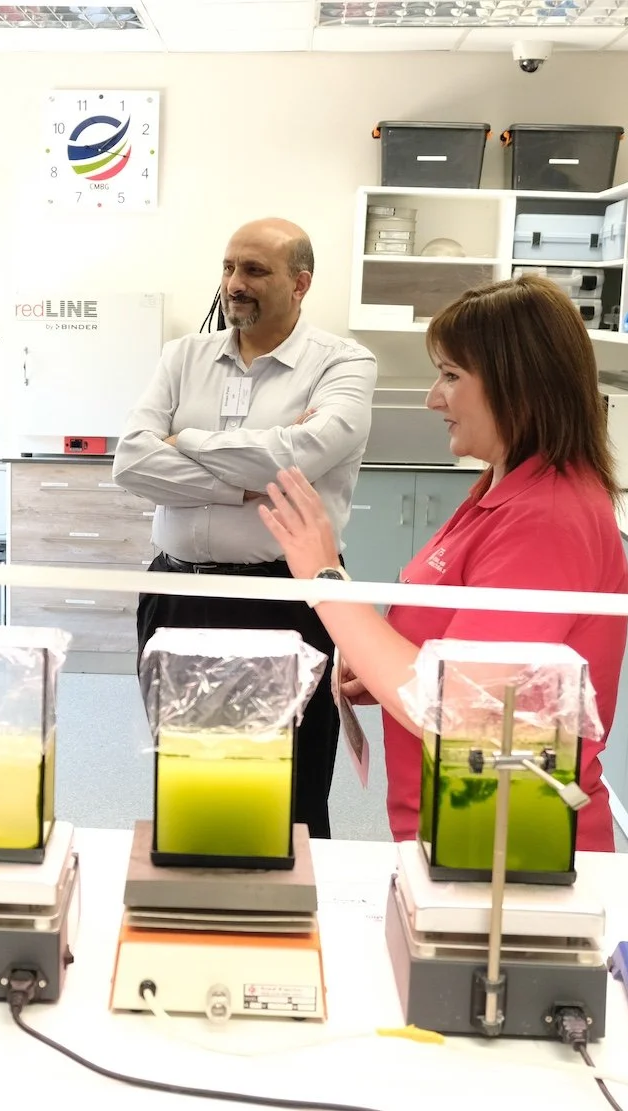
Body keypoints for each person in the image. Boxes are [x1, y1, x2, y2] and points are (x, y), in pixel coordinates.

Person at [257, 274, 628, 852]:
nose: (434, 397)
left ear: (519, 387)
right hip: (459, 836)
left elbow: (462, 714)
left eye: (452, 376)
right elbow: (457, 652)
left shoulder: (548, 519)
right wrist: (383, 673)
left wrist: (324, 579)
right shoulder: (503, 488)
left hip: (511, 849)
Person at [112, 217, 377, 839]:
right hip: (180, 594)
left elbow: (297, 457)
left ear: (300, 282)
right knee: (188, 775)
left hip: (284, 597)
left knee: (292, 787)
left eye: (255, 270)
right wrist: (242, 486)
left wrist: (186, 442)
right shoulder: (183, 356)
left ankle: (296, 917)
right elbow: (131, 460)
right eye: (229, 268)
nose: (235, 283)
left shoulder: (343, 364)